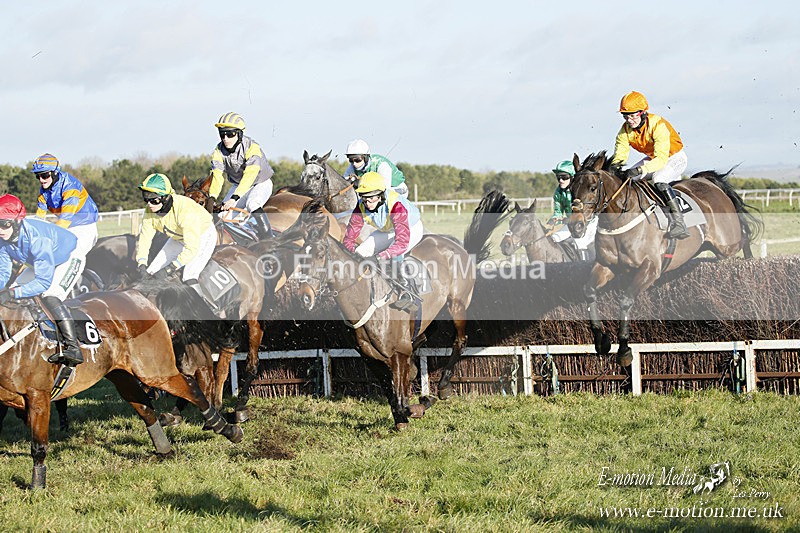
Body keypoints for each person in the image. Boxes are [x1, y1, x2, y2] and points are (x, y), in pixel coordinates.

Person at [0, 194, 85, 365]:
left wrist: (11, 293)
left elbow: (43, 283)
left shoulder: (36, 238)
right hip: (41, 262)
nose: (0, 229)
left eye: (4, 224)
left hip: (67, 258)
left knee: (50, 295)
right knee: (15, 290)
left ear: (17, 222)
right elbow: (3, 273)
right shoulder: (3, 239)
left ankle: (73, 347)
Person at [611, 91, 689, 239]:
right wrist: (612, 171)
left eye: (633, 115)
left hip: (674, 158)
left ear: (643, 113)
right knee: (626, 180)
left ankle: (680, 224)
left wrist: (640, 169)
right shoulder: (624, 130)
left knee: (659, 179)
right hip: (654, 159)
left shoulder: (657, 125)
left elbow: (661, 160)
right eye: (626, 116)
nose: (629, 120)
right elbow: (619, 157)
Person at [343, 171, 424, 310]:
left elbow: (401, 243)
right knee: (361, 251)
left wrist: (380, 256)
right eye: (364, 197)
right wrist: (352, 253)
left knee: (394, 255)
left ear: (381, 195)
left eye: (371, 198)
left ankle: (407, 292)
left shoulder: (396, 205)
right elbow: (349, 239)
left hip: (411, 228)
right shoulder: (361, 206)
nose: (367, 202)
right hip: (387, 230)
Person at [135, 173, 217, 304]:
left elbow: (191, 249)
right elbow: (145, 239)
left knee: (189, 276)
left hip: (203, 235)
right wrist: (142, 264)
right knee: (151, 272)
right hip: (179, 236)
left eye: (154, 200)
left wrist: (170, 268)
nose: (150, 204)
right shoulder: (149, 211)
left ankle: (206, 309)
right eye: (146, 199)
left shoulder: (184, 210)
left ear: (166, 198)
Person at [209, 112, 274, 239]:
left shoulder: (252, 147)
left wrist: (234, 198)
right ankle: (245, 238)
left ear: (239, 134)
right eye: (222, 134)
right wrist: (212, 198)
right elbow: (217, 176)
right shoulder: (218, 151)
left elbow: (250, 175)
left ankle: (269, 239)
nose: (225, 138)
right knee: (223, 215)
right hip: (238, 185)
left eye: (230, 134)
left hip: (260, 183)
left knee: (252, 204)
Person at [32, 153, 99, 271]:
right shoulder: (43, 192)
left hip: (85, 227)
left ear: (55, 172)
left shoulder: (70, 187)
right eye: (38, 176)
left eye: (44, 175)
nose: (41, 180)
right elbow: (39, 220)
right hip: (69, 228)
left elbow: (64, 221)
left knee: (68, 257)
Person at [546, 160, 597, 261]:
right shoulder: (558, 192)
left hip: (588, 223)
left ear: (572, 177)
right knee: (553, 238)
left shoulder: (579, 190)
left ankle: (584, 268)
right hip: (571, 224)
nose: (561, 180)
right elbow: (558, 212)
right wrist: (553, 220)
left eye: (564, 177)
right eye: (558, 177)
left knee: (579, 242)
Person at [343, 139, 409, 197]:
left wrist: (360, 183)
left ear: (366, 158)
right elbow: (344, 182)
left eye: (357, 160)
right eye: (351, 160)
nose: (354, 163)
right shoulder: (352, 166)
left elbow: (384, 190)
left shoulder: (381, 165)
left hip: (396, 189)